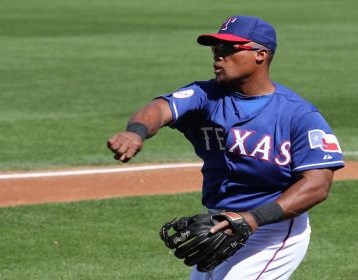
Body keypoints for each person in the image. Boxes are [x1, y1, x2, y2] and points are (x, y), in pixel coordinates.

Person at [107, 15, 344, 280]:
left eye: (229, 49)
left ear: (260, 55)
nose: (218, 56)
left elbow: (317, 185)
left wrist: (252, 219)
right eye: (215, 49)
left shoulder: (299, 115)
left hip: (273, 231)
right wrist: (136, 132)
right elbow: (159, 109)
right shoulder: (205, 95)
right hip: (218, 224)